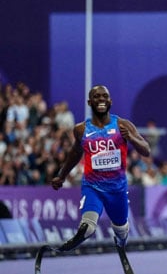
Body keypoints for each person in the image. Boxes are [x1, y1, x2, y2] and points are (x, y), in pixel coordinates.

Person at [49, 85, 151, 254]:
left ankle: (120, 241)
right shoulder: (81, 129)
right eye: (97, 97)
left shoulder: (122, 125)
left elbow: (146, 150)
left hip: (117, 189)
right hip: (92, 187)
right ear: (90, 102)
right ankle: (68, 246)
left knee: (121, 228)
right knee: (88, 228)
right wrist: (61, 176)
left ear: (110, 101)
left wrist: (132, 138)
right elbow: (75, 153)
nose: (101, 99)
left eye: (105, 96)